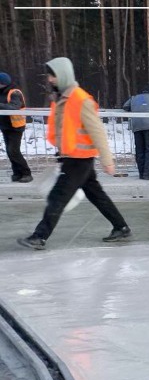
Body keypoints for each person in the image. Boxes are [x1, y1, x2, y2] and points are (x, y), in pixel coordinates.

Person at [17, 58, 132, 250]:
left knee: (57, 197)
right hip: (72, 157)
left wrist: (107, 160)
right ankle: (121, 227)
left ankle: (40, 236)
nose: (49, 79)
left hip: (79, 160)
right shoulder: (62, 99)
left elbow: (97, 132)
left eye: (52, 75)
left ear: (63, 75)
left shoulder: (80, 99)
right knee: (96, 194)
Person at [0, 72, 33, 183]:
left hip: (16, 126)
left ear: (3, 83)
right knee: (10, 152)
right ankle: (17, 173)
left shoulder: (14, 92)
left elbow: (14, 107)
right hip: (5, 125)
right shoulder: (2, 91)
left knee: (13, 151)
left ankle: (26, 173)